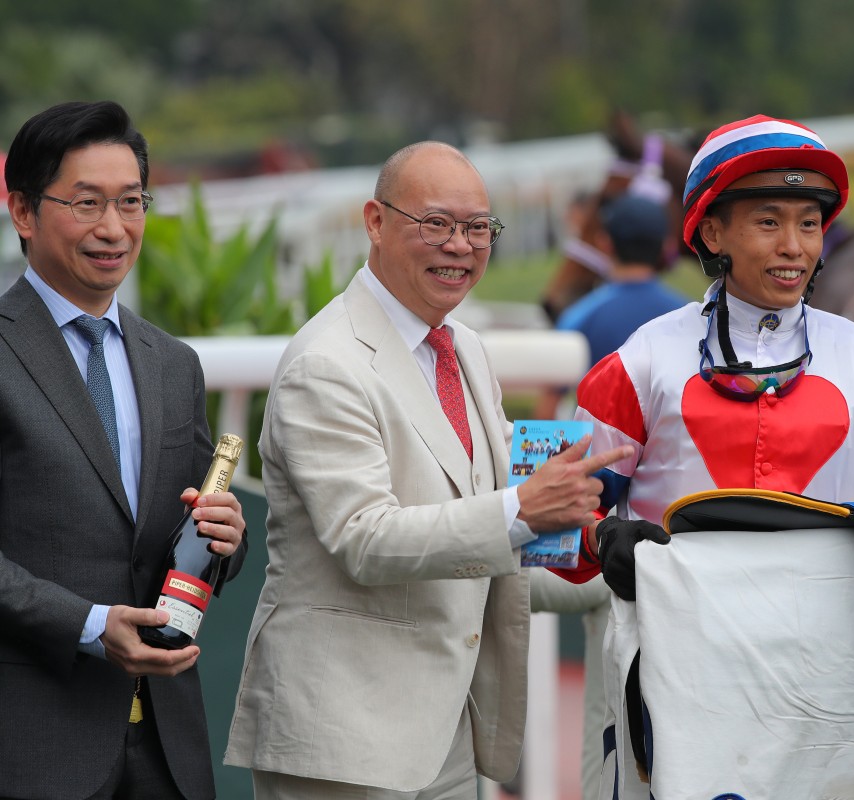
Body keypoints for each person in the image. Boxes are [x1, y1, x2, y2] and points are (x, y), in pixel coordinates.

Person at [554, 115, 854, 798]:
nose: (794, 247)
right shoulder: (639, 366)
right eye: (769, 222)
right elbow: (554, 534)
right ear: (712, 232)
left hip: (833, 708)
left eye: (809, 225)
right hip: (682, 703)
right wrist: (603, 538)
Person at [224, 141, 630, 799]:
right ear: (376, 222)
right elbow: (367, 539)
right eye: (436, 224)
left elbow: (486, 529)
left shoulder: (463, 346)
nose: (461, 246)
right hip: (343, 741)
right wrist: (525, 509)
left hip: (447, 733)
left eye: (476, 229)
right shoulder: (325, 365)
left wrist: (591, 547)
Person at [0, 100, 248, 800]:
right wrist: (87, 624)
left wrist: (230, 537)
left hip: (168, 753)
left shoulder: (172, 362)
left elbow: (194, 532)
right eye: (86, 204)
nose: (113, 228)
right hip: (32, 748)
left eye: (131, 202)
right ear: (23, 211)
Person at [535, 191, 688, 419]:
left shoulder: (580, 316)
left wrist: (565, 453)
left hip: (602, 451)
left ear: (604, 243)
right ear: (667, 247)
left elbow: (547, 409)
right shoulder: (689, 315)